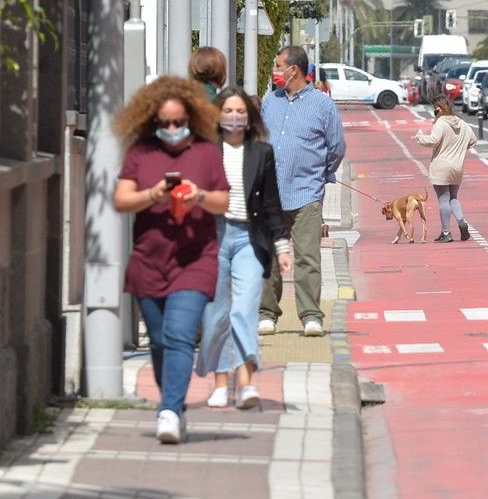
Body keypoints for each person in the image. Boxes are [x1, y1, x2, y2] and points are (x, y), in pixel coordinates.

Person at [113, 75, 230, 444]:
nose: (172, 129)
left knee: (180, 335)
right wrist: (153, 193)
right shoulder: (140, 152)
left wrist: (198, 196)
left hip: (195, 260)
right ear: (151, 121)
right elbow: (121, 200)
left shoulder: (207, 152)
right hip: (149, 262)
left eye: (179, 122)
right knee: (161, 343)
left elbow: (223, 202)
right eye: (164, 123)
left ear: (191, 117)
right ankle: (174, 406)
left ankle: (168, 410)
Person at [195, 87, 293, 409]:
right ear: (217, 115)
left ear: (249, 118)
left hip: (249, 239)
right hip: (213, 237)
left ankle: (246, 382)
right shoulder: (205, 151)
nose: (234, 117)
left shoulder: (262, 153)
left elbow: (272, 205)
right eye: (228, 111)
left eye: (241, 112)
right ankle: (221, 383)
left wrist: (282, 248)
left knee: (243, 310)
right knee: (215, 315)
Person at [258, 45, 346, 337]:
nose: (275, 70)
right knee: (269, 254)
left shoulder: (323, 105)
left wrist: (321, 175)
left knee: (307, 257)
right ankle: (267, 313)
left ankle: (311, 315)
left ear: (293, 69)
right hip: (270, 194)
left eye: (278, 65)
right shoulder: (271, 102)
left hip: (305, 193)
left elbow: (336, 148)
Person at [415, 95, 477, 243]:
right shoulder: (462, 123)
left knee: (443, 199)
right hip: (457, 167)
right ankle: (461, 221)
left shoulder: (441, 123)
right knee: (453, 197)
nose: (434, 113)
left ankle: (446, 232)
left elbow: (433, 140)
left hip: (441, 166)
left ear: (440, 108)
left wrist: (420, 136)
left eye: (434, 109)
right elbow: (473, 140)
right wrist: (460, 147)